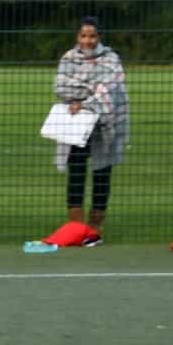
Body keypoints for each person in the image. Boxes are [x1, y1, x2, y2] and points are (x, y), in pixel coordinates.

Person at [53, 17, 129, 236]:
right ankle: (75, 225)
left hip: (105, 122)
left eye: (92, 36)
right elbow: (61, 87)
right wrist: (91, 91)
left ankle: (95, 226)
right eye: (83, 36)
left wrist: (83, 101)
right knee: (76, 170)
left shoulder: (111, 58)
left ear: (99, 37)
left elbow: (110, 89)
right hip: (76, 124)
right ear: (78, 36)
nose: (88, 40)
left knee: (102, 172)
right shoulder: (68, 58)